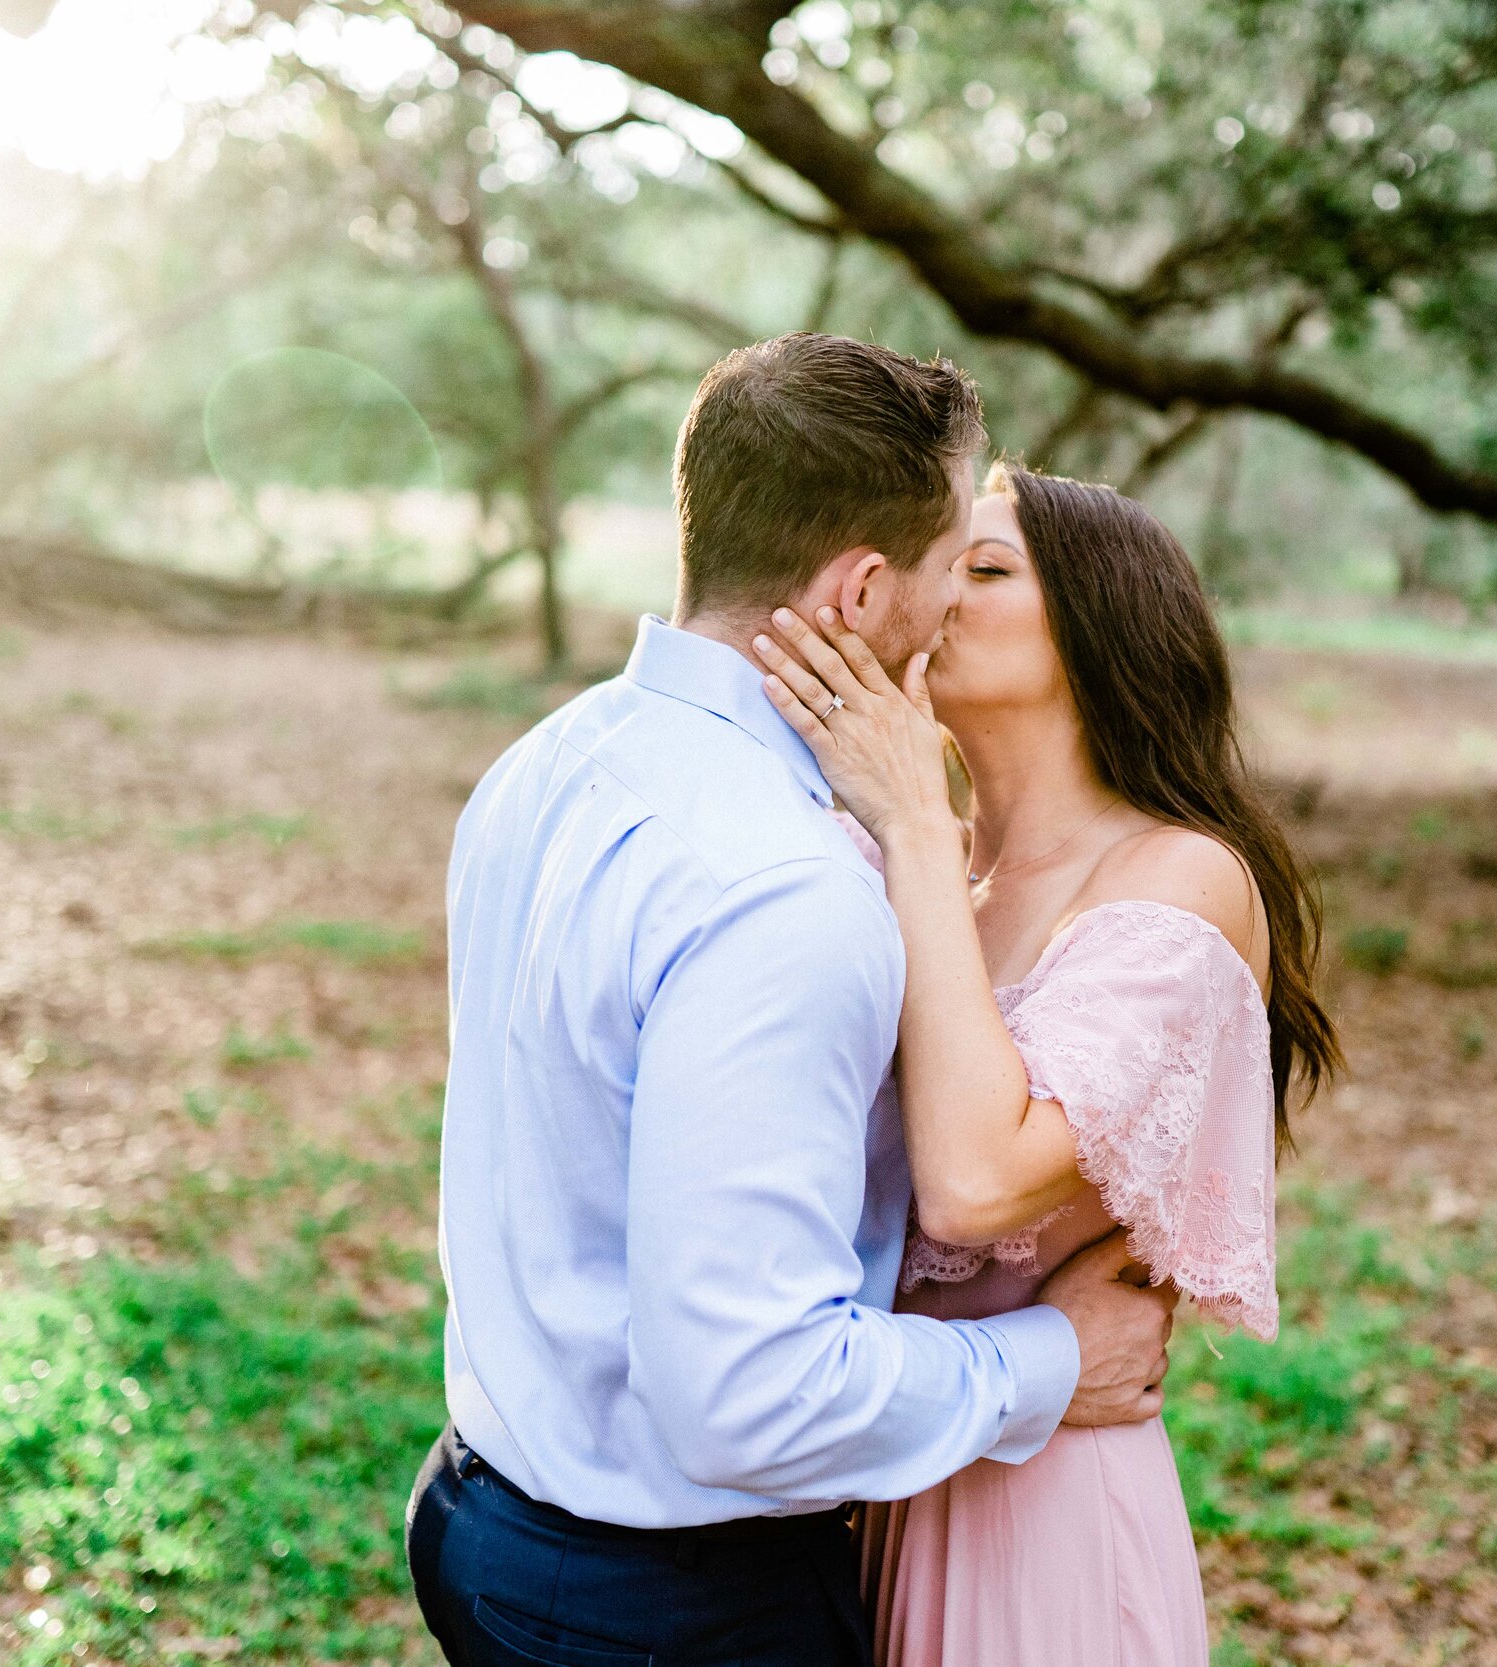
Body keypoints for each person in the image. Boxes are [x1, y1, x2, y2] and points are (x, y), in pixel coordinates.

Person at [408, 336, 1181, 1667]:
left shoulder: (546, 762)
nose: (956, 603)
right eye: (955, 563)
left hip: (474, 1512)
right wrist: (1054, 1360)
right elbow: (747, 1392)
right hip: (671, 1606)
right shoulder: (787, 884)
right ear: (866, 585)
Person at [750, 461, 1342, 1666]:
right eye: (932, 561)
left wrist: (911, 816)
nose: (937, 591)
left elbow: (975, 1182)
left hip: (1047, 1508)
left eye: (984, 566)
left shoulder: (1176, 878)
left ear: (1100, 622)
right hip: (888, 1462)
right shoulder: (909, 866)